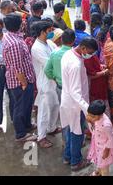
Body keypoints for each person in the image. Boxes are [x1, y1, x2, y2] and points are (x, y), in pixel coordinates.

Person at [61, 36, 98, 171]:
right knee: (77, 132)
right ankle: (76, 162)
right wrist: (88, 109)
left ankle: (67, 156)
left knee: (70, 130)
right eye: (90, 52)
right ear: (82, 48)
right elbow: (76, 92)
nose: (90, 55)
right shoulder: (76, 64)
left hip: (68, 100)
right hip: (75, 103)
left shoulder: (68, 53)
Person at [2, 14, 37, 142]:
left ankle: (27, 125)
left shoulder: (12, 36)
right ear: (19, 25)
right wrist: (23, 83)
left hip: (24, 80)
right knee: (20, 107)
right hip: (20, 81)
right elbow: (17, 68)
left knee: (27, 105)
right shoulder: (14, 43)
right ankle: (21, 134)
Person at [31, 20, 61, 148]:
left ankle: (51, 127)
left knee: (54, 105)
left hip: (52, 81)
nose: (51, 33)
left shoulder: (49, 43)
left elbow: (58, 52)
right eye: (49, 31)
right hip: (44, 83)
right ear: (42, 32)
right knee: (44, 110)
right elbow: (50, 63)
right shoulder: (36, 48)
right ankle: (41, 136)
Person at [86, 100, 113, 176]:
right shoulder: (95, 118)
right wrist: (91, 122)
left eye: (92, 116)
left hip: (104, 149)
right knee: (98, 161)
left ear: (100, 115)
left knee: (104, 168)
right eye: (89, 115)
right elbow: (93, 127)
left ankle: (102, 173)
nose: (90, 117)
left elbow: (111, 139)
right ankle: (98, 172)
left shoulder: (106, 125)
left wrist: (106, 150)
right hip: (97, 145)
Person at [45, 29, 75, 104]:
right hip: (73, 88)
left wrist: (54, 78)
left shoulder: (54, 53)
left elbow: (47, 70)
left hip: (60, 87)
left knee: (63, 109)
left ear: (61, 39)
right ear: (74, 40)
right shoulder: (75, 54)